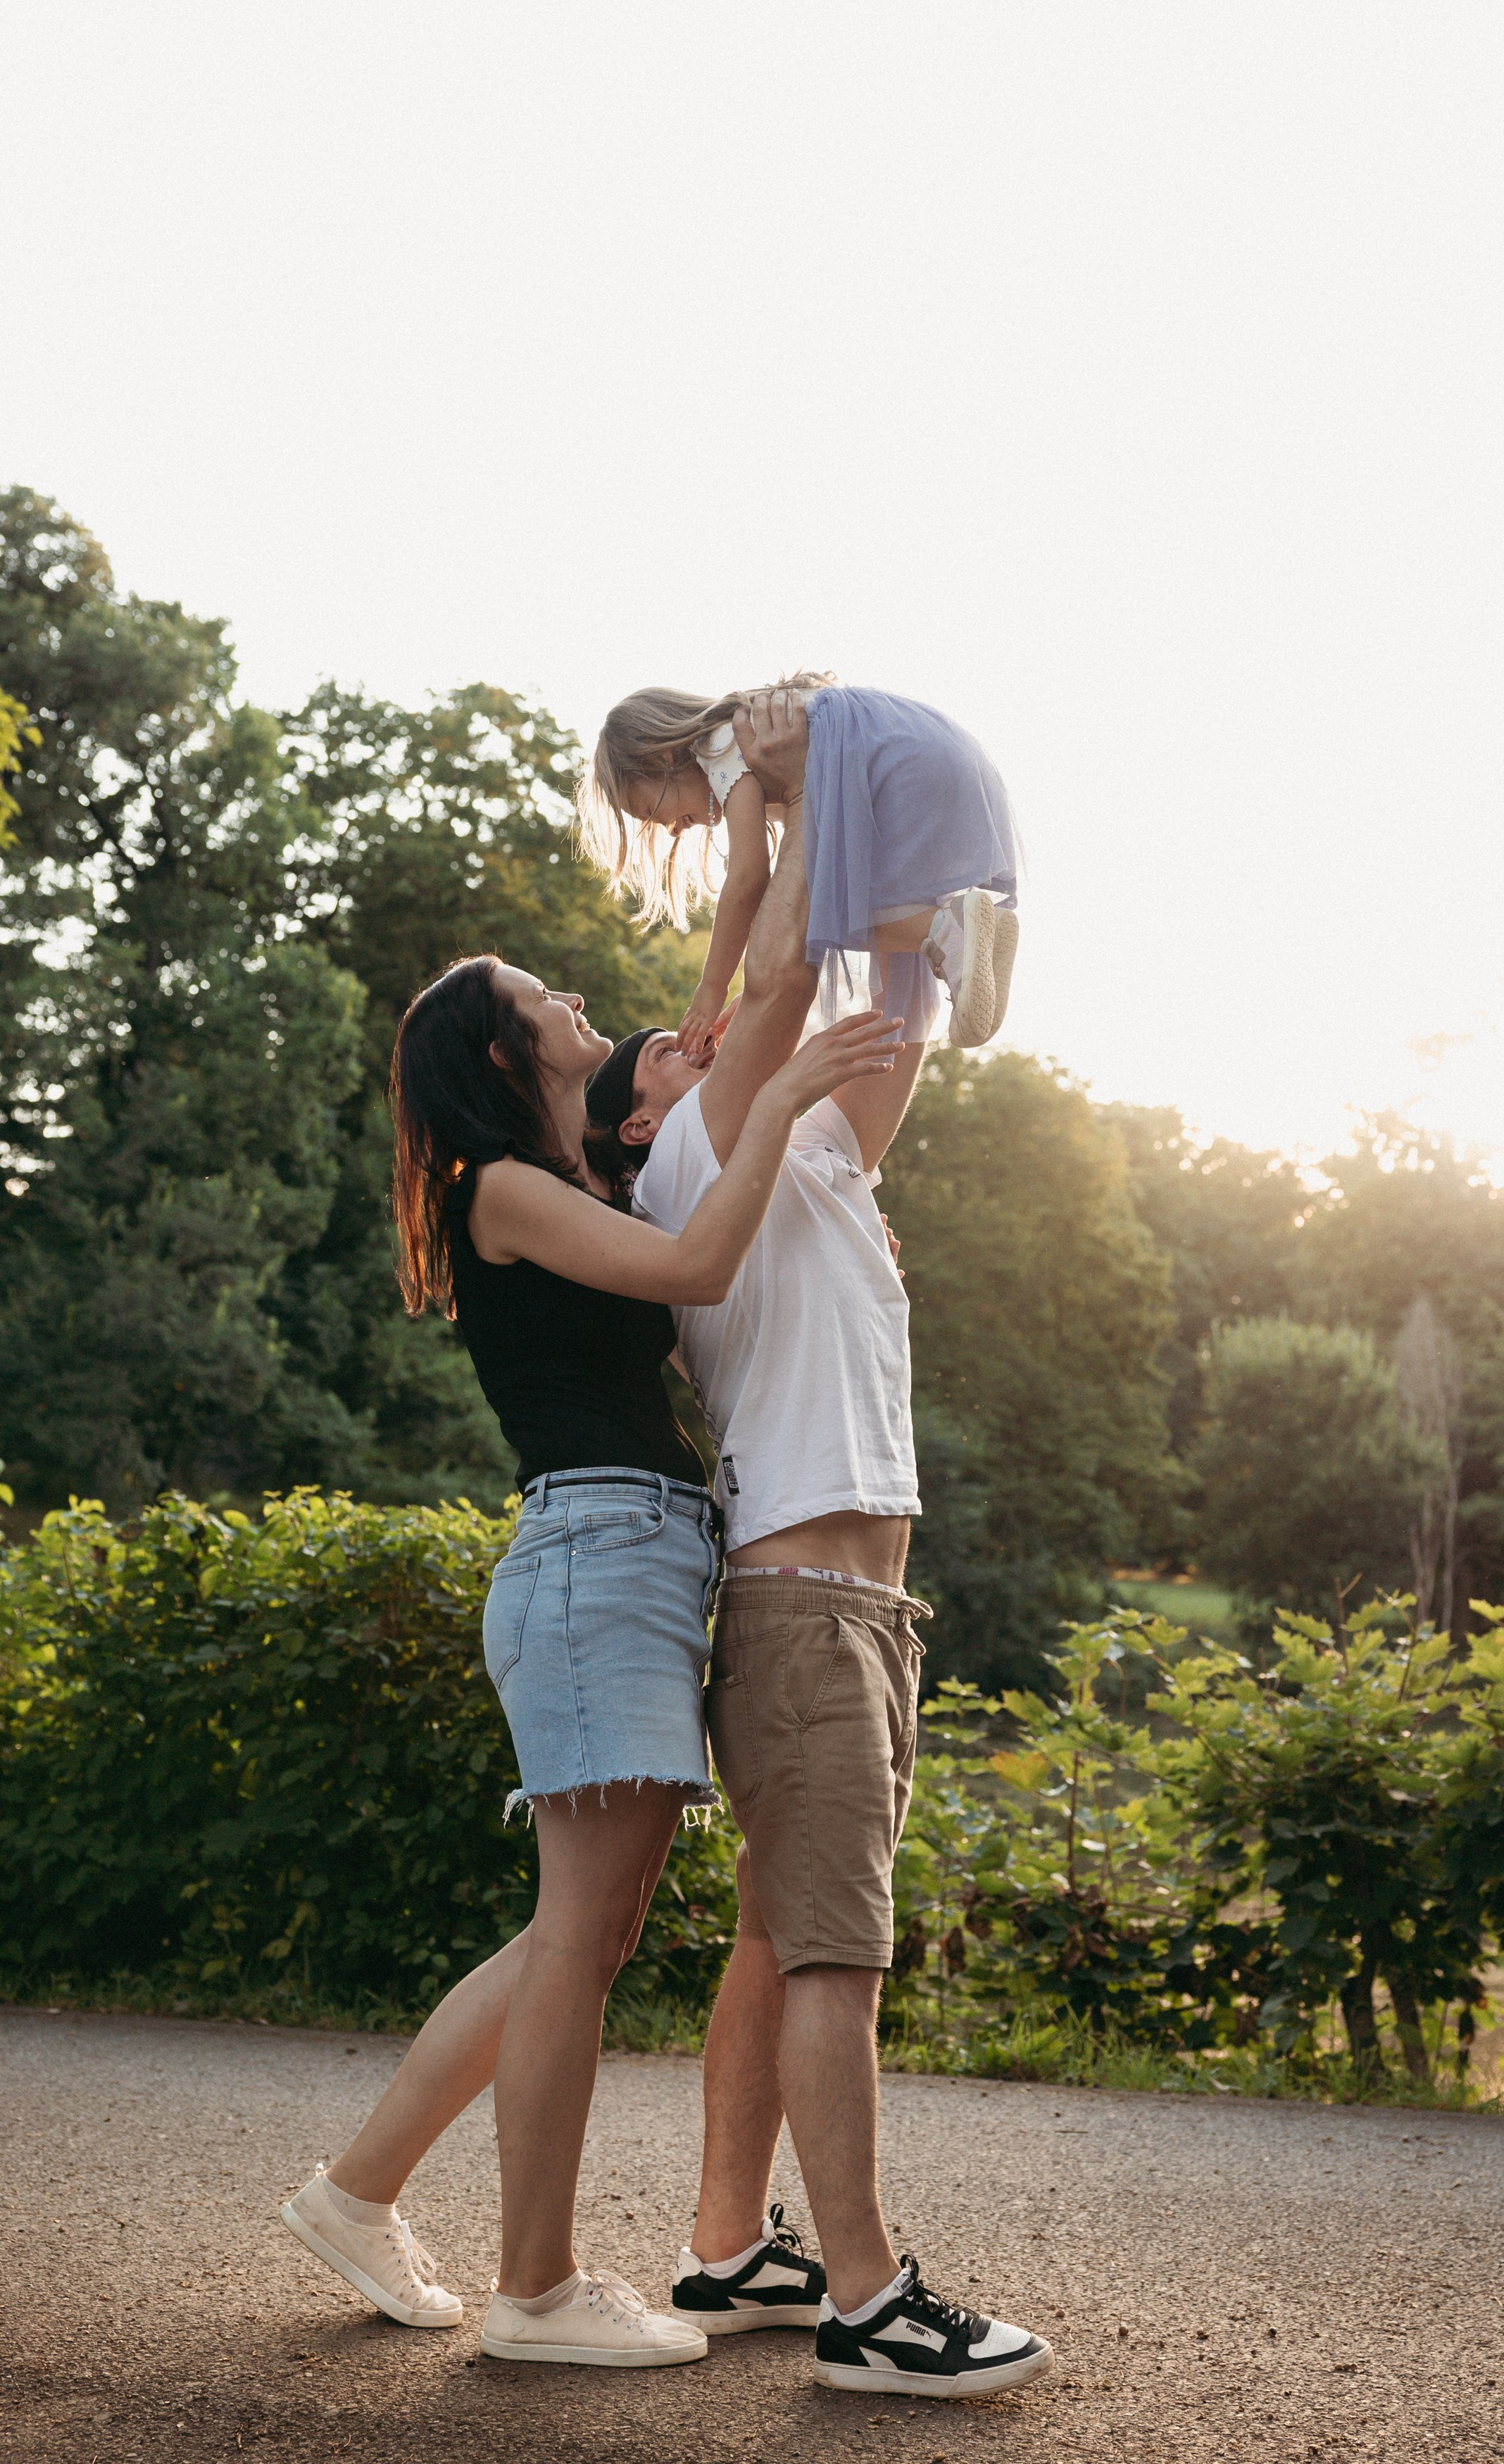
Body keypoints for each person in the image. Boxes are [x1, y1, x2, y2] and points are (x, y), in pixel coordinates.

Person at [277, 718, 901, 2371]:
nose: (575, 1001)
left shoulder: (573, 1179)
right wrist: (789, 1102)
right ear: (502, 1056)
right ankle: (536, 2291)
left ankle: (360, 2190)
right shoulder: (499, 1187)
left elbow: (733, 985)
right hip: (597, 1553)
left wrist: (762, 790)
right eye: (537, 997)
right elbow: (703, 1262)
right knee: (579, 1930)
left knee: (585, 1927)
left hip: (627, 1554)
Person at [582, 691, 1053, 2400]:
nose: (688, 1042)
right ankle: (866, 2297)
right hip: (802, 1594)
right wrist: (761, 805)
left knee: (784, 1935)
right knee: (832, 1953)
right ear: (641, 1126)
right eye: (660, 1051)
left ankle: (725, 2248)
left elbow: (896, 1013)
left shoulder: (814, 1164)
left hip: (854, 1602)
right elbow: (783, 965)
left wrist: (843, 802)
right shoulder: (694, 1157)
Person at [576, 674, 1022, 1060]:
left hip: (905, 771)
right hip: (935, 755)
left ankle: (946, 929)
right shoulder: (760, 732)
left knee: (821, 916)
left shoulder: (720, 747)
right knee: (824, 901)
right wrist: (751, 994)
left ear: (664, 758)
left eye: (652, 810)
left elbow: (749, 878)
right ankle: (986, 937)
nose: (671, 831)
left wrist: (711, 988)